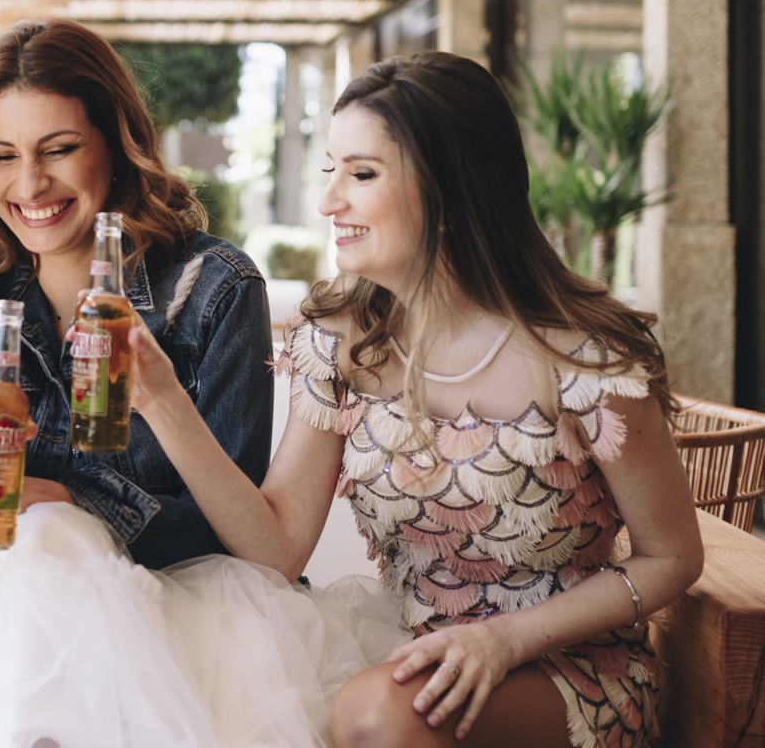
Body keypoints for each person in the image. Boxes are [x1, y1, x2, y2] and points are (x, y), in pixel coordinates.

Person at [0, 20, 409, 748]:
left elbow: (230, 529)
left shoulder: (216, 289)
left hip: (176, 599)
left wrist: (69, 499)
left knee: (45, 534)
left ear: (115, 139)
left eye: (59, 149)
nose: (29, 184)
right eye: (2, 156)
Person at [127, 51, 703, 748]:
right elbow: (275, 549)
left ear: (454, 190)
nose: (328, 201)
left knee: (376, 715)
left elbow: (671, 556)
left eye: (361, 174)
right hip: (411, 647)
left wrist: (503, 639)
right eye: (329, 170)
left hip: (574, 671)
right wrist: (162, 402)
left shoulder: (586, 361)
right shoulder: (343, 342)